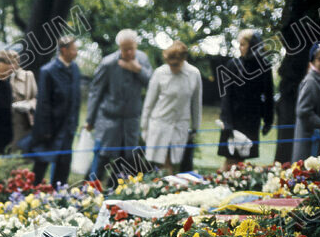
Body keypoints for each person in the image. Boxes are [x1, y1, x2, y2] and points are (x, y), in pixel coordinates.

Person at [86, 29, 152, 185]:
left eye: (132, 48)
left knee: (127, 157)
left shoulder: (142, 59)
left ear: (136, 45)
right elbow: (96, 92)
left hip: (131, 119)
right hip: (109, 118)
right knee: (103, 156)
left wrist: (138, 70)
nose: (129, 52)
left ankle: (113, 190)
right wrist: (90, 119)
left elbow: (152, 83)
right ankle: (88, 190)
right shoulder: (108, 63)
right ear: (119, 47)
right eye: (125, 49)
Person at [141, 41, 202, 175]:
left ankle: (170, 189)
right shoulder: (159, 73)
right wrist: (144, 127)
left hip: (180, 125)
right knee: (164, 162)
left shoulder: (194, 74)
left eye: (175, 64)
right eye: (169, 64)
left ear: (183, 59)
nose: (172, 68)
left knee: (177, 162)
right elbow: (149, 102)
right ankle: (165, 190)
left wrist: (195, 127)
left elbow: (196, 103)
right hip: (160, 123)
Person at [217, 29, 274, 170]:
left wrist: (268, 120)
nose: (240, 48)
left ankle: (239, 189)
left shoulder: (264, 66)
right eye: (239, 44)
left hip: (251, 120)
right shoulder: (233, 65)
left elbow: (268, 95)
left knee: (244, 163)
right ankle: (220, 188)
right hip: (233, 118)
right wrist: (227, 122)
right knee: (230, 159)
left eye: (243, 44)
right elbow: (226, 95)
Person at [31, 35, 81, 186]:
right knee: (42, 162)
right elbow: (43, 103)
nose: (76, 53)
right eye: (74, 49)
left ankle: (59, 196)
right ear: (64, 50)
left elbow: (76, 98)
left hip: (68, 127)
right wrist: (45, 130)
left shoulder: (75, 69)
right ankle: (30, 192)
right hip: (51, 127)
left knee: (63, 163)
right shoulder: (48, 71)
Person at [9, 51, 38, 153]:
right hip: (5, 119)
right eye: (8, 62)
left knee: (19, 151)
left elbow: (35, 98)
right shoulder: (2, 78)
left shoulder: (27, 76)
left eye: (14, 61)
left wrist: (27, 105)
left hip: (21, 119)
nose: (11, 65)